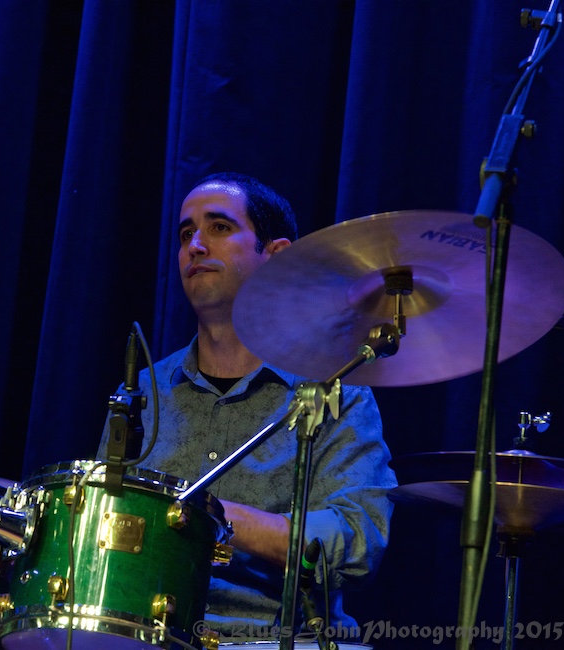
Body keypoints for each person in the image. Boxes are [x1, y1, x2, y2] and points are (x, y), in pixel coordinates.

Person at [99, 171, 396, 643]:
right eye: (186, 234)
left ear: (277, 256)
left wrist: (215, 517)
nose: (196, 246)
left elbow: (357, 540)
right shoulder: (143, 395)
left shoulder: (337, 390)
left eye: (219, 227)